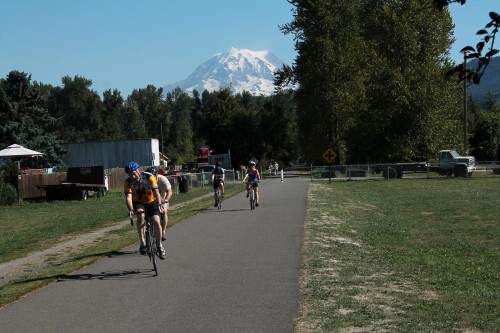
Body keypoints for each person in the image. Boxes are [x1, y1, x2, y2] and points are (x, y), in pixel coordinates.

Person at [124, 161, 166, 260]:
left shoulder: (149, 177)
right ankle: (142, 243)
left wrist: (160, 204)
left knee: (156, 221)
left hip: (151, 201)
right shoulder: (128, 182)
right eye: (130, 175)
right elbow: (128, 198)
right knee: (140, 215)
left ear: (138, 170)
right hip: (138, 202)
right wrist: (130, 209)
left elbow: (156, 192)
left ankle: (159, 245)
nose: (133, 176)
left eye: (134, 173)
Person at [146, 166, 172, 241]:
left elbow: (169, 191)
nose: (151, 179)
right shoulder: (146, 180)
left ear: (156, 175)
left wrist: (166, 200)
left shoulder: (162, 179)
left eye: (153, 176)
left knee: (163, 211)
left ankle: (163, 231)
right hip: (150, 200)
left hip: (162, 199)